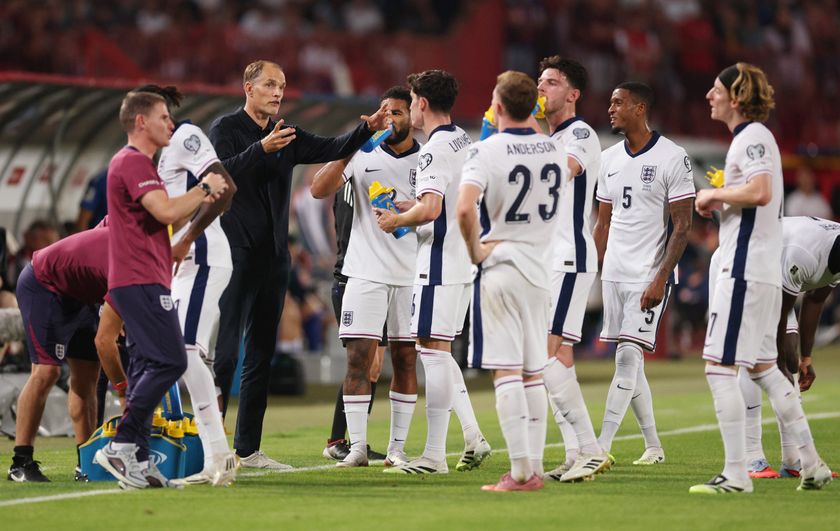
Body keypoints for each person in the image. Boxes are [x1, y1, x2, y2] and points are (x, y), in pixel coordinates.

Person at [209, 60, 388, 469]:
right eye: (270, 85)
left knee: (260, 356)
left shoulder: (286, 132)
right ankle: (213, 448)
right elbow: (218, 176)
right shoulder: (225, 129)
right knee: (224, 355)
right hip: (235, 254)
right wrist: (260, 150)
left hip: (274, 260)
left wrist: (369, 128)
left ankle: (248, 450)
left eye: (282, 86)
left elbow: (332, 147)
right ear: (247, 88)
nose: (277, 92)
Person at [691, 62, 831, 493]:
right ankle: (813, 464)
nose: (709, 96)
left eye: (716, 89)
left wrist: (713, 194)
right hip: (763, 269)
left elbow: (761, 190)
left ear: (736, 97)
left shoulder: (751, 137)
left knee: (718, 367)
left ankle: (736, 474)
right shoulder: (755, 139)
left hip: (745, 269)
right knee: (765, 369)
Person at [93, 91, 227, 489]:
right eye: (163, 117)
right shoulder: (133, 162)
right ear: (140, 123)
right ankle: (122, 444)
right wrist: (206, 188)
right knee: (171, 359)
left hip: (145, 275)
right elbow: (166, 212)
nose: (171, 124)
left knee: (152, 362)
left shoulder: (134, 164)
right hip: (139, 278)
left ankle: (132, 452)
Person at [377, 70, 490, 475]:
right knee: (438, 351)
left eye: (410, 100)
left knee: (430, 351)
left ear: (421, 102)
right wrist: (414, 204)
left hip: (439, 260)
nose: (410, 108)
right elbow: (442, 196)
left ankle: (434, 455)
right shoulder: (463, 139)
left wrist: (397, 219)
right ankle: (471, 437)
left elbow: (431, 209)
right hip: (462, 259)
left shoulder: (433, 148)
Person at [457, 71, 566, 491]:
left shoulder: (485, 151)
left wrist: (476, 253)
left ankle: (520, 472)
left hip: (502, 266)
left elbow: (465, 211)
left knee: (506, 373)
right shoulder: (555, 150)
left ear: (497, 107)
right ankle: (533, 468)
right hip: (540, 270)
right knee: (533, 372)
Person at [311, 86, 420, 468]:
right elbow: (317, 188)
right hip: (363, 273)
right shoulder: (363, 153)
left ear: (413, 116)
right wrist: (353, 145)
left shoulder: (427, 161)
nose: (391, 118)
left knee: (406, 361)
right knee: (359, 360)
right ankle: (356, 446)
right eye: (385, 112)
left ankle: (397, 448)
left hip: (409, 276)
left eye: (398, 112)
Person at [136, 84, 239, 486]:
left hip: (204, 257)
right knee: (183, 355)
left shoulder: (185, 136)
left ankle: (219, 455)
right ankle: (217, 455)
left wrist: (186, 239)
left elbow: (224, 187)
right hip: (183, 265)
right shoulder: (157, 157)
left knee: (184, 351)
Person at [593, 82, 695, 465]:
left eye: (618, 102)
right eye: (610, 102)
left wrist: (660, 277)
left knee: (626, 358)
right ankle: (654, 446)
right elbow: (602, 223)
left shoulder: (673, 156)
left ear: (639, 108)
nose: (611, 108)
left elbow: (682, 226)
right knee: (630, 362)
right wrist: (598, 267)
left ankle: (600, 446)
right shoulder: (608, 158)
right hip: (615, 275)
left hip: (648, 275)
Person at [536, 56, 610, 482]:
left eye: (552, 82)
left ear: (573, 94)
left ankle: (591, 447)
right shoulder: (547, 138)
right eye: (539, 82)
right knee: (558, 357)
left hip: (569, 255)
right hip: (549, 259)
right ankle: (575, 451)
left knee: (545, 354)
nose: (542, 88)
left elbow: (558, 176)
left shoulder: (579, 134)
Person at [740, 216, 840, 479]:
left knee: (792, 363)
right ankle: (752, 458)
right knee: (754, 358)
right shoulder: (804, 253)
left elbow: (815, 299)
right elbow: (778, 314)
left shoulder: (835, 251)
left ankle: (793, 460)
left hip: (774, 282)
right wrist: (778, 365)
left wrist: (804, 358)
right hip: (741, 270)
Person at [7, 225, 108, 482]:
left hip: (83, 295)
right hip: (45, 286)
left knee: (88, 380)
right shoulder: (129, 246)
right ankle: (20, 462)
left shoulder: (136, 237)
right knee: (47, 371)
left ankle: (86, 463)